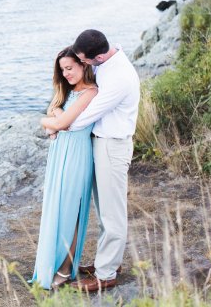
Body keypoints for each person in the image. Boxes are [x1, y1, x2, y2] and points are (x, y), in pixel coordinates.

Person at [42, 29, 141, 292]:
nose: (83, 66)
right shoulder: (106, 61)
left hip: (112, 145)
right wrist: (57, 116)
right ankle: (108, 261)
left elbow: (80, 120)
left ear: (97, 56)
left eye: (85, 61)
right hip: (99, 143)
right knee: (101, 208)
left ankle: (106, 274)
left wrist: (52, 124)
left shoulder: (119, 77)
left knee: (112, 212)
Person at [30, 46, 98, 290]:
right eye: (63, 70)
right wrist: (53, 123)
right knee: (57, 208)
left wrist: (55, 124)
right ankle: (55, 260)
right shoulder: (67, 91)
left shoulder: (91, 92)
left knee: (73, 211)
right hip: (59, 155)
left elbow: (64, 122)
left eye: (70, 68)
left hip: (78, 155)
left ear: (83, 65)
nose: (66, 74)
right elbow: (53, 114)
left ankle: (66, 267)